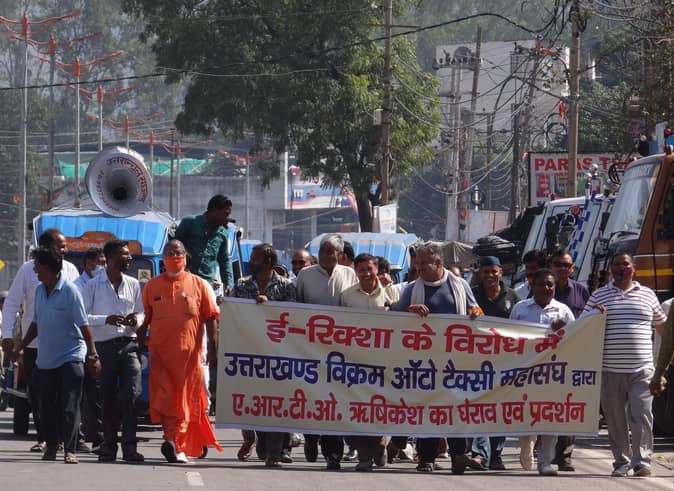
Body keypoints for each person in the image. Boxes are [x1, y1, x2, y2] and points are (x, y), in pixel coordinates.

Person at [394, 241, 484, 474]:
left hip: (455, 360)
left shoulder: (460, 285)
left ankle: (458, 455)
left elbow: (476, 311)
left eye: (425, 263)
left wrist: (475, 313)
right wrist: (410, 311)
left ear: (438, 262)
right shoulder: (412, 290)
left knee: (454, 407)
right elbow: (394, 317)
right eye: (418, 263)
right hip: (424, 362)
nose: (420, 267)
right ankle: (426, 457)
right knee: (428, 407)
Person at [12, 246, 101, 464]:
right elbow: (35, 324)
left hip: (71, 356)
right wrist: (20, 346)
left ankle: (70, 449)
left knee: (69, 405)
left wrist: (93, 355)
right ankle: (52, 446)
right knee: (46, 406)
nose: (34, 270)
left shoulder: (70, 291)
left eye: (37, 265)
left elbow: (84, 326)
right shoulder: (39, 291)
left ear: (48, 267)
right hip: (46, 359)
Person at [138, 240, 223, 463]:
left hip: (189, 359)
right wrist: (139, 343)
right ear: (163, 258)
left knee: (186, 401)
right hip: (160, 357)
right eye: (169, 252)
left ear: (186, 256)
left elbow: (211, 318)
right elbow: (144, 319)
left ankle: (178, 444)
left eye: (178, 252)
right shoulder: (151, 286)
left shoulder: (200, 284)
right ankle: (172, 440)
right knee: (166, 400)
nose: (174, 256)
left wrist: (214, 350)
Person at [583, 253, 665, 477]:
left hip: (642, 370)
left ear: (634, 268)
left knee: (642, 415)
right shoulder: (599, 295)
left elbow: (662, 328)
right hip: (610, 370)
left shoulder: (648, 294)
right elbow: (583, 326)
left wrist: (663, 366)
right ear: (611, 269)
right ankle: (621, 462)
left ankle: (642, 462)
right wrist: (594, 314)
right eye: (617, 265)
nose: (621, 269)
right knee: (615, 419)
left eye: (625, 264)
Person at [1, 228, 80, 453]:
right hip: (35, 346)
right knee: (39, 395)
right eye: (61, 246)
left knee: (65, 395)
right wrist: (8, 336)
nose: (65, 250)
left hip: (66, 347)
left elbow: (80, 308)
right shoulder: (28, 270)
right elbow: (12, 304)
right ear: (47, 248)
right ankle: (45, 438)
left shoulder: (71, 270)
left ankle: (66, 439)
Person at [295, 234, 357, 470]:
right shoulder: (305, 275)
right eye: (322, 250)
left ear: (340, 255)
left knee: (335, 401)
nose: (324, 255)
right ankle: (311, 437)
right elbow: (295, 307)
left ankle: (333, 454)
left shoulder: (350, 275)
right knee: (312, 396)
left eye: (330, 251)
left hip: (340, 351)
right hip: (311, 347)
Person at [233, 243, 297, 468]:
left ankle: (275, 453)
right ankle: (261, 443)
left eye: (255, 258)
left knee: (276, 403)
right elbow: (234, 313)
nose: (251, 261)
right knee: (257, 403)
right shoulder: (242, 284)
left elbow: (295, 316)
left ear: (268, 261)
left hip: (278, 354)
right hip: (250, 355)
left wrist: (270, 307)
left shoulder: (286, 286)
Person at [82, 240, 145, 463]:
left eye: (128, 254)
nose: (129, 258)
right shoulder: (92, 285)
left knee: (132, 394)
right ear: (110, 258)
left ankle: (130, 447)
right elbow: (83, 317)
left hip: (129, 345)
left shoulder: (133, 283)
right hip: (104, 347)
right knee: (106, 397)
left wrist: (136, 320)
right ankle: (109, 446)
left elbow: (141, 312)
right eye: (124, 254)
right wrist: (105, 319)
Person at [510, 269, 574, 476]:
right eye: (542, 284)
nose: (546, 288)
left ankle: (545, 462)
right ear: (532, 286)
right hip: (526, 371)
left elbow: (576, 339)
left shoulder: (563, 311)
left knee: (550, 416)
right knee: (526, 414)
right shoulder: (520, 308)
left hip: (553, 373)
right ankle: (527, 443)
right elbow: (508, 336)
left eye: (550, 285)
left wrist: (564, 330)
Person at [339, 253, 393, 471]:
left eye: (369, 269)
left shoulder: (391, 292)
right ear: (355, 271)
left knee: (380, 407)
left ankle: (380, 443)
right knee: (358, 407)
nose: (366, 273)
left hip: (385, 362)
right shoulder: (347, 296)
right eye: (361, 270)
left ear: (376, 268)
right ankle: (364, 456)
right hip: (356, 361)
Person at [470, 256, 520, 470]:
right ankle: (479, 454)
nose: (490, 275)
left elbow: (523, 325)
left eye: (493, 271)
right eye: (485, 271)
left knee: (499, 408)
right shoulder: (472, 295)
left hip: (505, 361)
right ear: (480, 274)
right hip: (475, 360)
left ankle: (496, 455)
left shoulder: (513, 296)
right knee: (478, 406)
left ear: (501, 272)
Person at [548, 248, 590, 471]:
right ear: (551, 266)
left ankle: (564, 456)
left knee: (568, 404)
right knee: (545, 405)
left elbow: (589, 321)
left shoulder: (582, 292)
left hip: (572, 357)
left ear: (572, 269)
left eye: (566, 265)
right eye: (558, 264)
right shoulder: (542, 288)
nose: (562, 269)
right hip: (545, 358)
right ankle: (545, 451)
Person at [174, 194, 234, 293]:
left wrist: (228, 284)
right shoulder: (189, 223)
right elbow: (174, 248)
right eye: (226, 214)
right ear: (214, 210)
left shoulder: (222, 234)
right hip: (184, 283)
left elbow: (224, 261)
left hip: (206, 287)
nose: (229, 218)